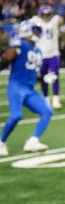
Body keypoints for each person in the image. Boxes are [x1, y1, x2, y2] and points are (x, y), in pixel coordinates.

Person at [0, 20, 53, 155]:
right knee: (17, 116)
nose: (37, 33)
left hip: (29, 89)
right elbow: (6, 59)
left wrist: (44, 78)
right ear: (26, 30)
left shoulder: (38, 50)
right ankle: (1, 142)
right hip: (16, 86)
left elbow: (32, 73)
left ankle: (33, 141)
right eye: (35, 30)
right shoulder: (19, 44)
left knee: (47, 111)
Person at [30, 3, 65, 110]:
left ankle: (56, 98)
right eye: (44, 14)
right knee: (43, 78)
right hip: (41, 55)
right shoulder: (35, 20)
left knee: (54, 76)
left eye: (48, 14)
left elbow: (62, 20)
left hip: (53, 53)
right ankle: (46, 98)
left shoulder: (55, 20)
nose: (46, 16)